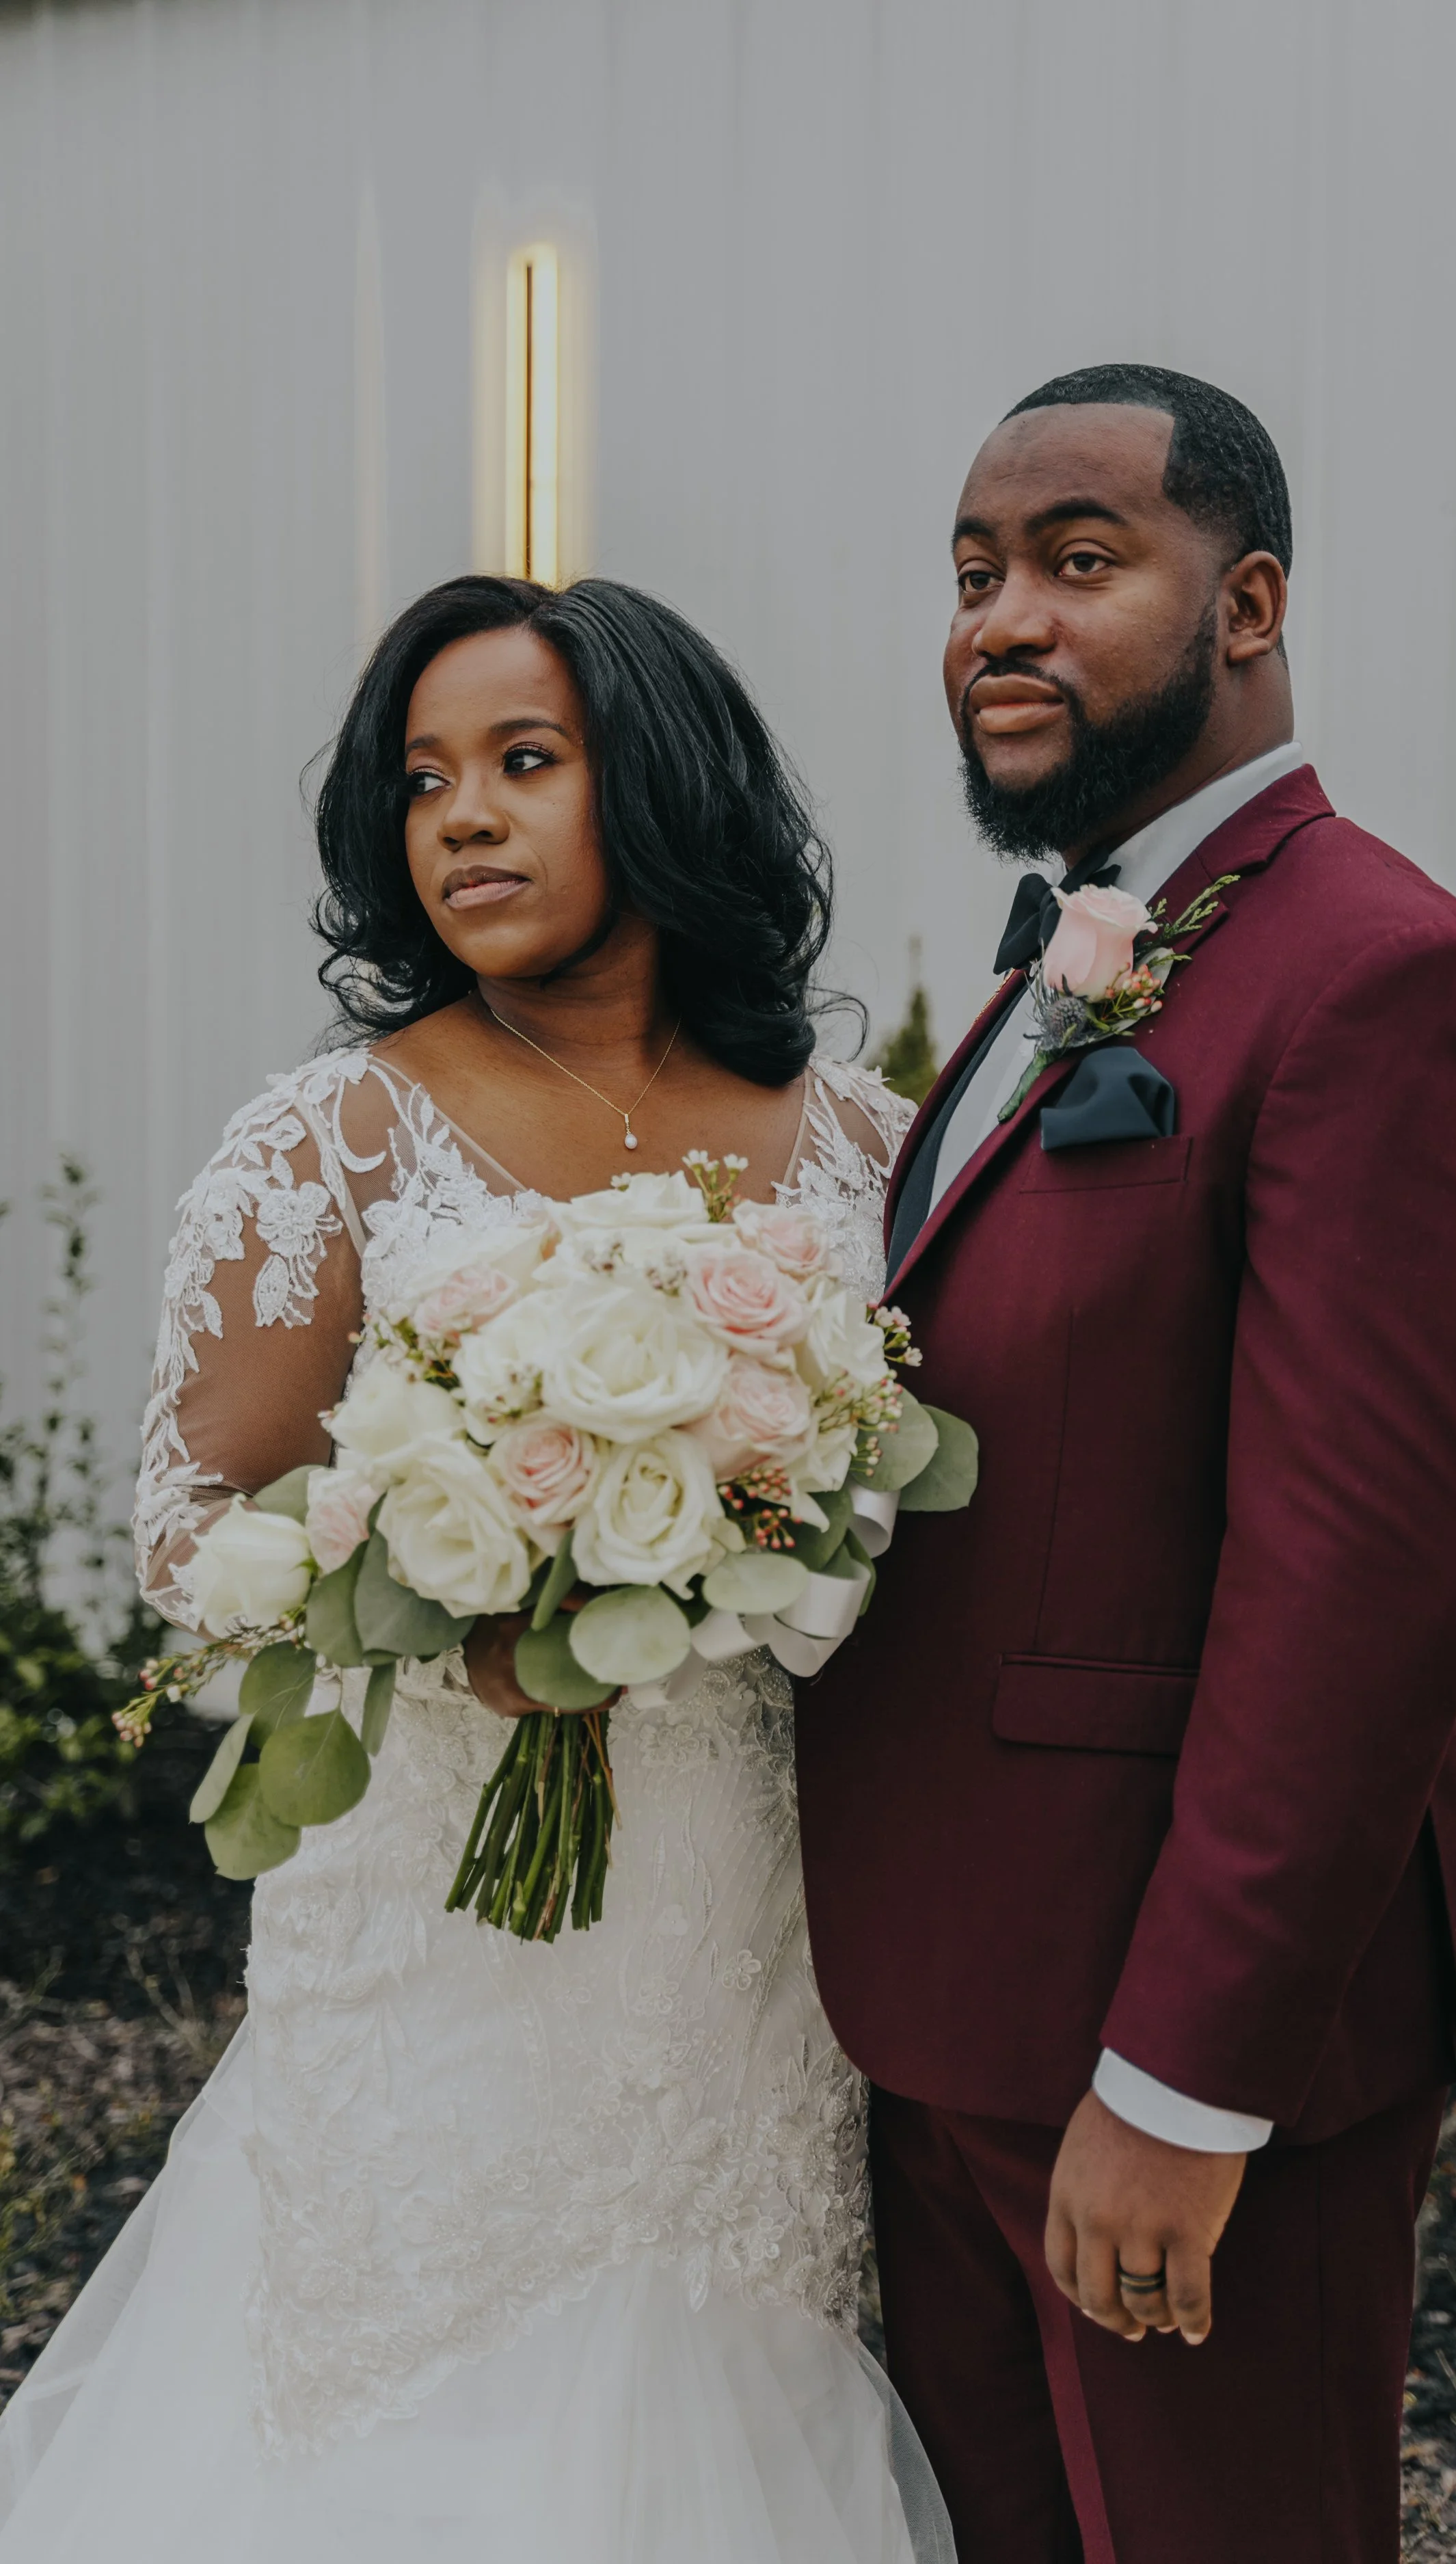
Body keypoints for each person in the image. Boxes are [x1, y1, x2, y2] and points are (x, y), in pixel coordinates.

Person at [0, 574, 952, 2564]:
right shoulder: (332, 1140)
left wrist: (747, 1536)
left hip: (745, 1927)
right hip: (437, 1937)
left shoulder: (864, 1141)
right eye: (423, 778)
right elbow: (189, 1535)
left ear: (665, 786)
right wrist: (452, 1612)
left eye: (526, 762)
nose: (463, 818)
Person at [796, 364, 1456, 2563]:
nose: (998, 619)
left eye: (1074, 557)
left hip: (1171, 2045)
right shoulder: (1070, 950)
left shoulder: (1384, 978)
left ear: (1245, 602)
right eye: (968, 575)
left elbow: (1365, 1576)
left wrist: (1179, 2082)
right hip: (946, 1994)